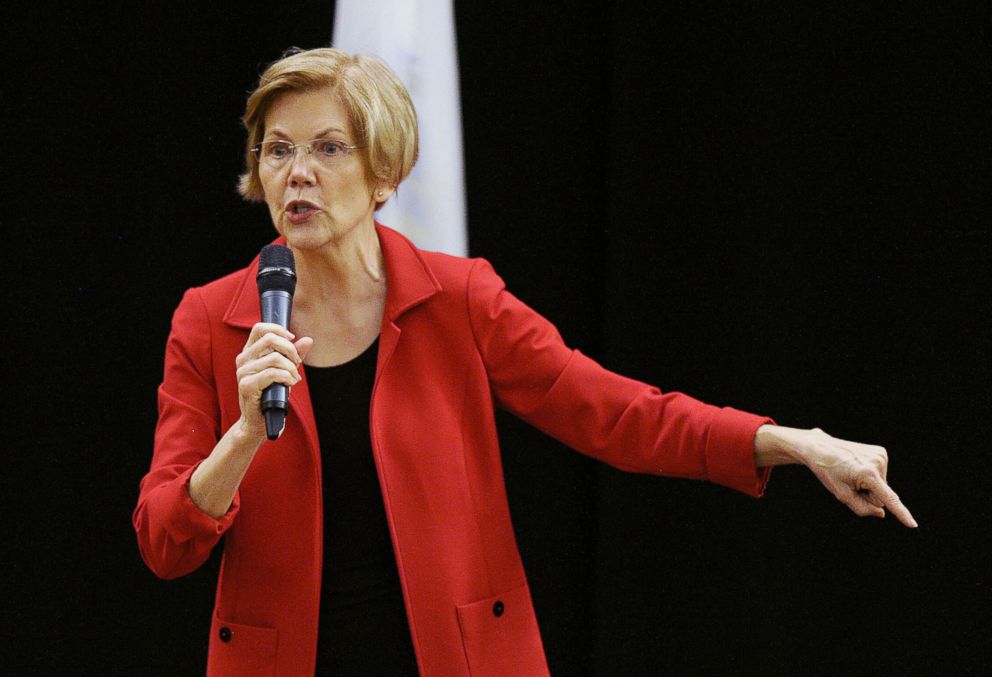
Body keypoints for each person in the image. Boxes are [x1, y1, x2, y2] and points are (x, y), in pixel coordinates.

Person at [133, 47, 917, 676]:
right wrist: (239, 438)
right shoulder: (211, 320)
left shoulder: (459, 300)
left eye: (328, 147)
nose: (296, 171)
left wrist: (789, 440)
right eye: (278, 149)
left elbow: (617, 413)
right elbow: (165, 543)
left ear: (383, 175)